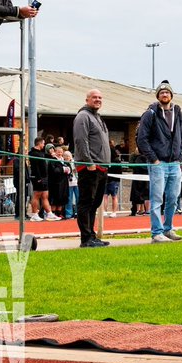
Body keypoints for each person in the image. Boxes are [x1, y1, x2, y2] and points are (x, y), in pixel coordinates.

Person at [137, 81, 182, 243]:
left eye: (167, 92)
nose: (165, 95)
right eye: (161, 93)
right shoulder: (150, 113)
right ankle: (156, 232)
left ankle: (168, 228)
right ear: (158, 96)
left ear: (171, 95)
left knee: (173, 198)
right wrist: (154, 159)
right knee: (157, 199)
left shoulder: (178, 112)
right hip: (158, 163)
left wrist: (179, 157)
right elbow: (141, 139)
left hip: (174, 163)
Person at [73, 89, 111, 248]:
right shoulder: (83, 117)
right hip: (89, 168)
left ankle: (92, 236)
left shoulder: (98, 118)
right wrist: (89, 162)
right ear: (87, 99)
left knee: (94, 204)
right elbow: (81, 141)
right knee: (86, 202)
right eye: (94, 97)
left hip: (101, 167)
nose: (98, 99)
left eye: (100, 97)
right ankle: (86, 238)